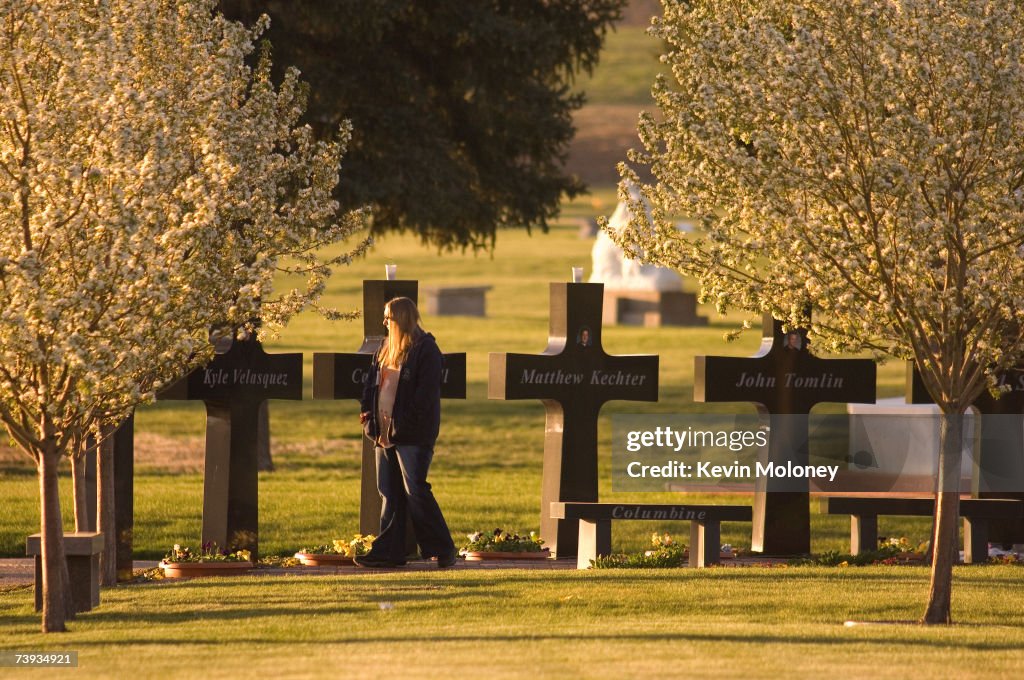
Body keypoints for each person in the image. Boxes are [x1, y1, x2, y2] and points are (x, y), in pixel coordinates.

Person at [355, 297, 458, 568]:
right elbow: (370, 387)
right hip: (383, 434)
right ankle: (388, 552)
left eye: (388, 316)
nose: (384, 321)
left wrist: (402, 426)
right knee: (389, 492)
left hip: (412, 436)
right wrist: (369, 418)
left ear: (401, 318)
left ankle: (444, 549)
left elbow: (424, 398)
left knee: (416, 491)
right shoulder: (385, 347)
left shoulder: (426, 351)